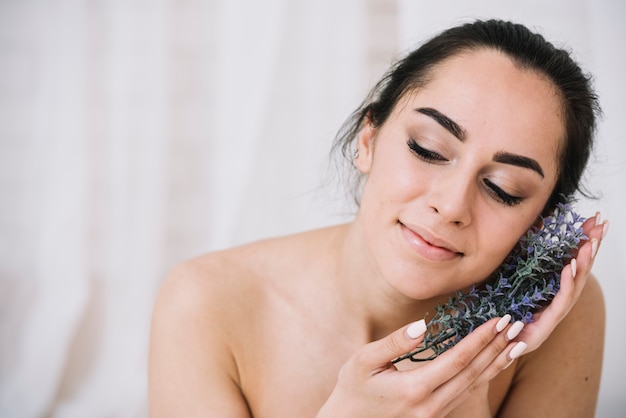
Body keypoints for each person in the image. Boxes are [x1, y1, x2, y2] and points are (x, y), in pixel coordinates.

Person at [148, 19, 608, 417]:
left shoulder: (559, 314)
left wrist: (469, 382)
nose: (450, 206)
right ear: (368, 140)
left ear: (540, 221)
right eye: (427, 149)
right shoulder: (205, 305)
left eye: (504, 189)